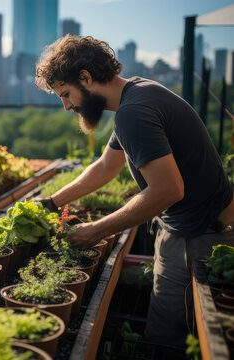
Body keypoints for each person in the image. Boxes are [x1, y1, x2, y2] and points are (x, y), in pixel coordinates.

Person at [34, 35, 234, 348]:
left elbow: (168, 190)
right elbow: (105, 167)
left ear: (85, 77)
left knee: (168, 340)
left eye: (66, 94)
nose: (66, 106)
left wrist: (94, 230)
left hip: (200, 238)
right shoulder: (137, 94)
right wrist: (51, 202)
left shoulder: (134, 112)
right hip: (191, 229)